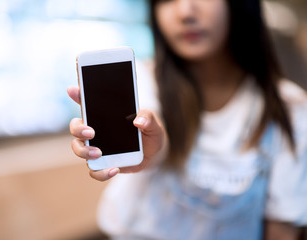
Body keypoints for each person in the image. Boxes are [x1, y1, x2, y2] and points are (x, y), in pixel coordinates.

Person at [68, 0, 307, 239]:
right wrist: (152, 146)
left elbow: (281, 230)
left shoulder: (290, 108)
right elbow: (156, 131)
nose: (185, 12)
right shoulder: (140, 80)